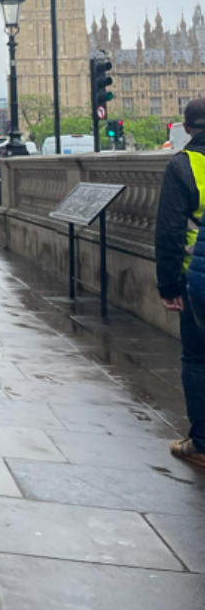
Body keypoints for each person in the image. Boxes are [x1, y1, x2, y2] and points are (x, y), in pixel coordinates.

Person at [156, 96, 205, 468]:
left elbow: (170, 232)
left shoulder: (184, 164)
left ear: (186, 128)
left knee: (197, 357)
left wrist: (169, 285)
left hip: (197, 277)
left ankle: (201, 442)